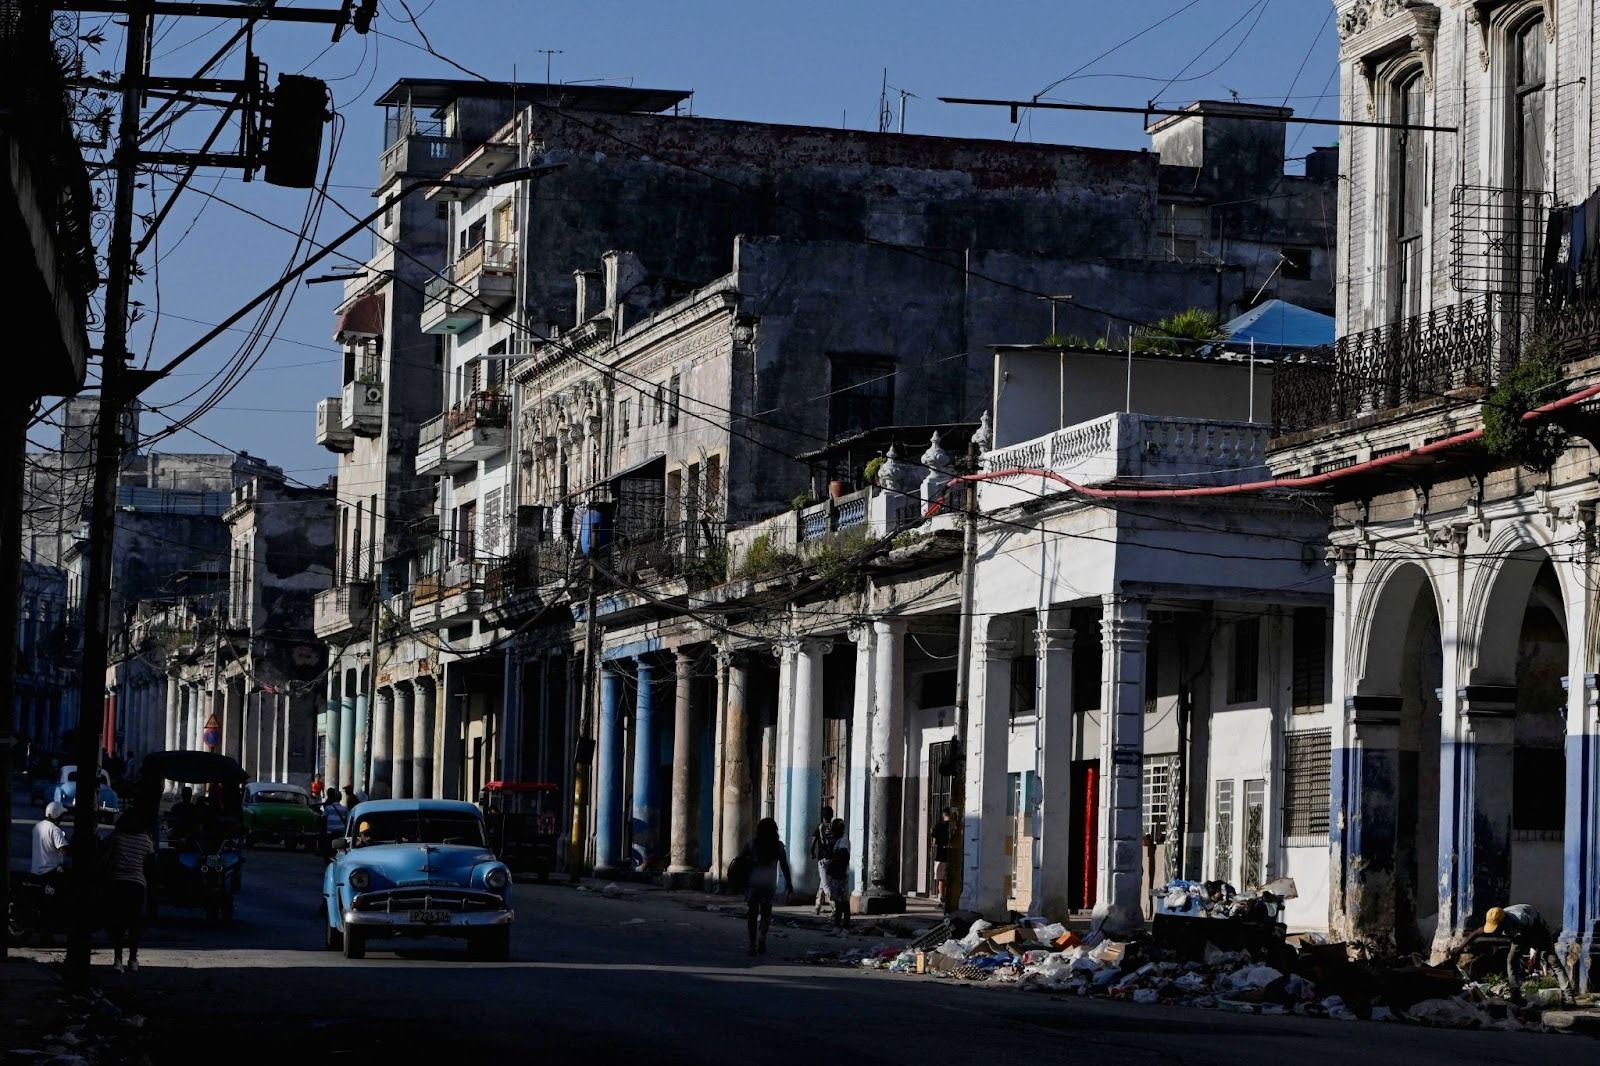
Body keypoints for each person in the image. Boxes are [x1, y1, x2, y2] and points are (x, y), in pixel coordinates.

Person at [1459, 904, 1564, 996]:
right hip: (1519, 933)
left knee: (1551, 959)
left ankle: (1567, 995)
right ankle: (1515, 992)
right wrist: (1460, 948)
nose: (1494, 931)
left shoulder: (1521, 919)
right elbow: (1477, 932)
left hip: (1538, 928)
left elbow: (1537, 936)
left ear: (1503, 922)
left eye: (1496, 928)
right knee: (1511, 959)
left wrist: (1535, 955)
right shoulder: (1497, 918)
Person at [102, 812, 155, 973]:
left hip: (118, 883)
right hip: (137, 885)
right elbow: (150, 863)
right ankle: (133, 960)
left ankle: (118, 960)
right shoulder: (145, 840)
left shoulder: (117, 837)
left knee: (118, 922)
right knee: (135, 923)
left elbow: (106, 858)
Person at [739, 817, 793, 957]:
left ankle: (752, 945)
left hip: (754, 882)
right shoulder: (778, 846)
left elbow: (740, 860)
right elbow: (784, 865)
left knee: (752, 914)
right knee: (766, 912)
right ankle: (762, 937)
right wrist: (789, 882)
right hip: (769, 883)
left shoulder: (752, 844)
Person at [824, 817, 850, 931]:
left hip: (840, 874)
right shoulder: (839, 840)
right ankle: (839, 924)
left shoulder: (843, 841)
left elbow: (843, 857)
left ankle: (842, 925)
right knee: (839, 901)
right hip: (838, 874)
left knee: (842, 901)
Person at [809, 805, 835, 915]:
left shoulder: (820, 827)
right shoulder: (834, 827)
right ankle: (817, 905)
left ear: (822, 816)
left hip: (822, 859)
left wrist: (812, 852)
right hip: (832, 858)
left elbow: (814, 840)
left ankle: (834, 905)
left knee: (825, 885)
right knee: (823, 881)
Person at [31, 801, 69, 876]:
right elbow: (65, 852)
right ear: (57, 815)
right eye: (61, 815)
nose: (62, 818)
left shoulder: (37, 827)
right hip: (50, 871)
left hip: (35, 871)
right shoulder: (55, 829)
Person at [931, 807, 955, 904]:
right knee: (952, 877)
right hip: (953, 855)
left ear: (943, 815)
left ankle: (942, 897)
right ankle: (951, 897)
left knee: (941, 879)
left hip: (941, 855)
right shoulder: (954, 826)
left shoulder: (938, 826)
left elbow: (934, 842)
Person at [321, 787, 348, 858]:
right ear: (340, 799)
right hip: (341, 833)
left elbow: (323, 819)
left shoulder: (328, 808)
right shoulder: (345, 809)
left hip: (330, 833)